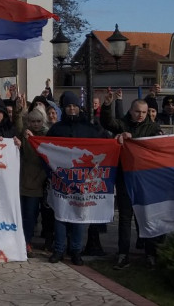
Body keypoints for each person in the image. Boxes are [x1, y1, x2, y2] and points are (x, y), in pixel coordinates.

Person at [100, 91, 163, 270]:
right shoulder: (123, 124)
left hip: (145, 180)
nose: (140, 115)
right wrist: (107, 105)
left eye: (144, 112)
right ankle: (123, 254)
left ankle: (151, 254)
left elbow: (157, 145)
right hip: (125, 178)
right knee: (125, 219)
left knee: (147, 217)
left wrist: (132, 139)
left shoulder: (152, 127)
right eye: (137, 112)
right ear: (131, 110)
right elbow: (107, 122)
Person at [46, 90, 107, 266]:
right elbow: (45, 149)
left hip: (82, 180)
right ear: (63, 109)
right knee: (60, 216)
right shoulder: (56, 129)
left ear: (79, 108)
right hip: (61, 180)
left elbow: (101, 147)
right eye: (68, 106)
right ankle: (59, 249)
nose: (71, 109)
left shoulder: (89, 128)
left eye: (74, 106)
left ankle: (76, 251)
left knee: (79, 216)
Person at [20, 108, 49, 257]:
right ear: (28, 122)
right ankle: (22, 242)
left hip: (38, 182)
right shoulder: (22, 135)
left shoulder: (47, 136)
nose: (36, 124)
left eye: (38, 121)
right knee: (22, 214)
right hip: (22, 181)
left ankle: (28, 242)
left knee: (31, 215)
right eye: (33, 121)